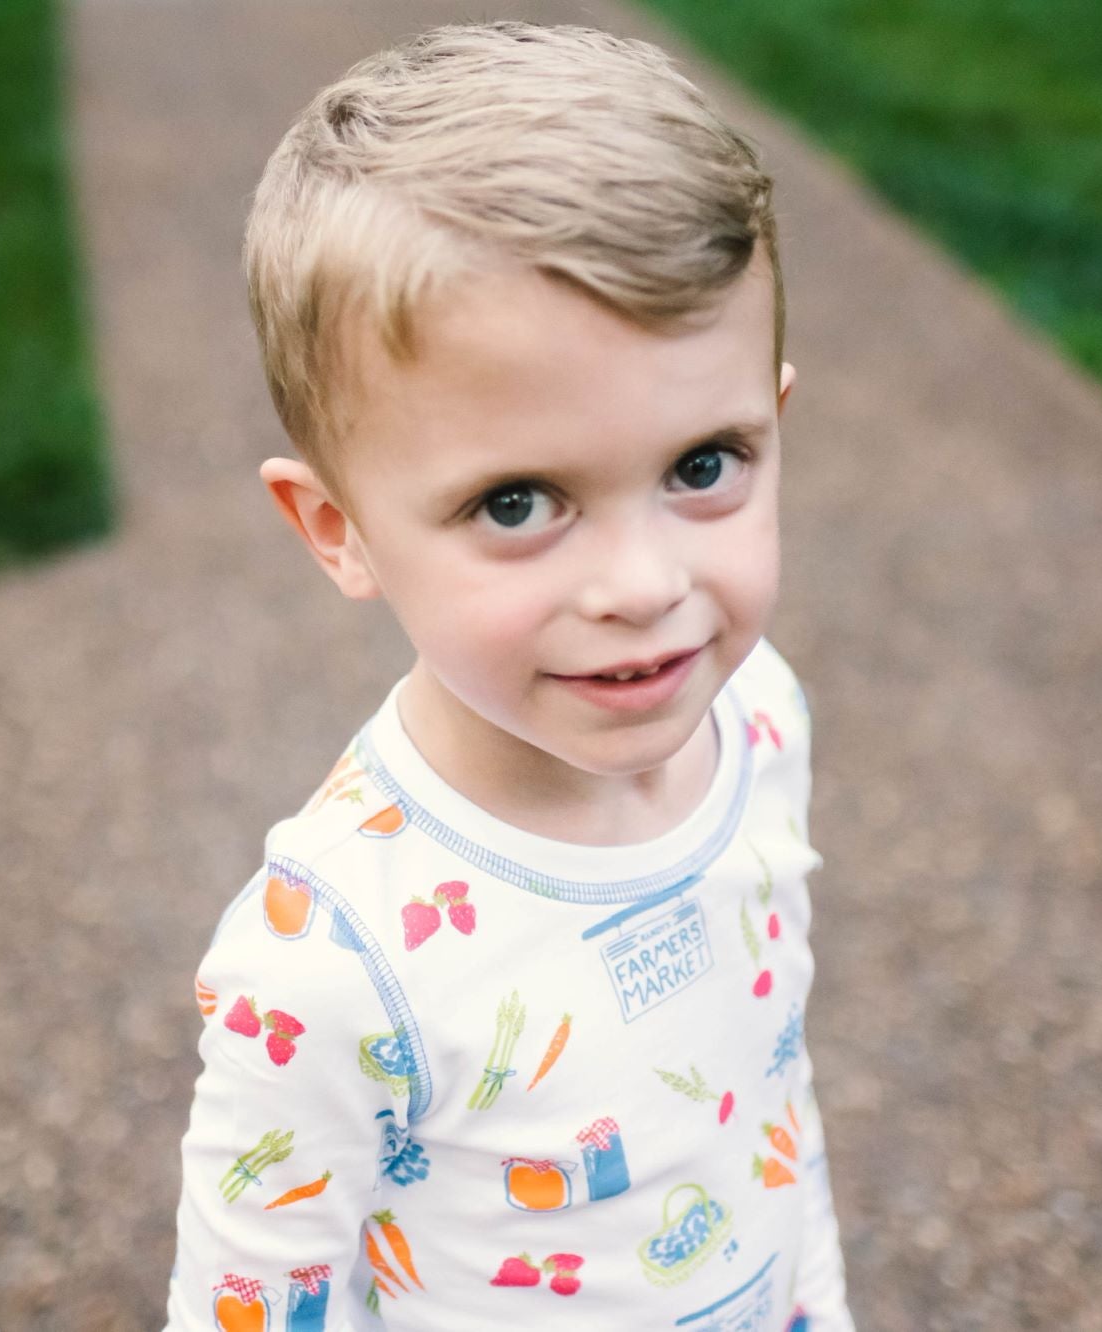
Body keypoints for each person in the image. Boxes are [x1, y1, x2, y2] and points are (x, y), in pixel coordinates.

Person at [165, 21, 854, 1331]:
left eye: (704, 465)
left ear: (775, 417)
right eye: (521, 500)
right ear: (337, 530)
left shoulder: (760, 720)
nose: (642, 584)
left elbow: (770, 1094)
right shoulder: (333, 963)